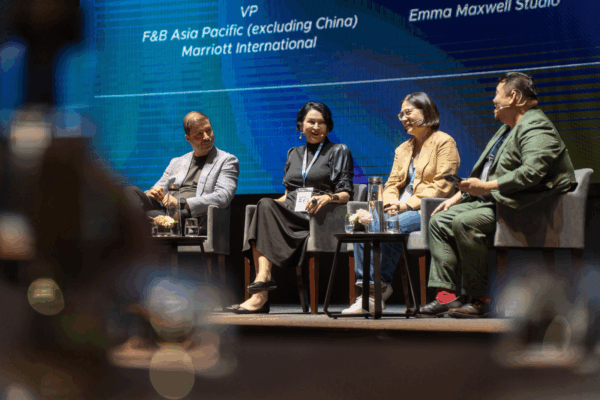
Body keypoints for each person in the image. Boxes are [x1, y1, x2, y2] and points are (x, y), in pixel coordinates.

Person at [420, 72, 576, 319]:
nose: (493, 100)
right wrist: (460, 195)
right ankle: (447, 297)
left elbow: (532, 172)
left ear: (513, 97)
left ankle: (480, 299)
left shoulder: (536, 126)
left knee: (465, 222)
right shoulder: (506, 130)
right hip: (498, 201)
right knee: (439, 221)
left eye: (496, 94)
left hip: (524, 204)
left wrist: (485, 187)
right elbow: (491, 174)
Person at [227, 102, 354, 314]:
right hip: (291, 210)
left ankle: (260, 292)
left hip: (316, 215)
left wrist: (327, 197)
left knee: (264, 209)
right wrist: (265, 210)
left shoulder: (338, 150)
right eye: (311, 122)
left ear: (328, 126)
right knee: (264, 205)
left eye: (321, 123)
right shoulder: (293, 153)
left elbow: (346, 193)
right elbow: (288, 194)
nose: (316, 127)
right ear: (301, 125)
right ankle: (262, 285)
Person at [342, 92, 460, 314]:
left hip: (427, 209)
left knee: (389, 225)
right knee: (362, 224)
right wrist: (391, 203)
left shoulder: (444, 142)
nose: (404, 118)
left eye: (408, 113)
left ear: (426, 112)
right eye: (401, 114)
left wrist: (406, 205)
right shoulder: (403, 149)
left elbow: (443, 184)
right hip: (400, 208)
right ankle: (370, 290)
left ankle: (376, 291)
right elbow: (392, 184)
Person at [125, 111, 239, 233]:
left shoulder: (227, 161)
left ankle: (140, 226)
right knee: (130, 191)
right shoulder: (176, 162)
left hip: (191, 214)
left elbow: (223, 196)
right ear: (188, 138)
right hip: (166, 209)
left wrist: (181, 203)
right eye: (199, 134)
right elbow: (160, 189)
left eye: (208, 131)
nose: (206, 137)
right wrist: (152, 193)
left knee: (157, 215)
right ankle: (145, 224)